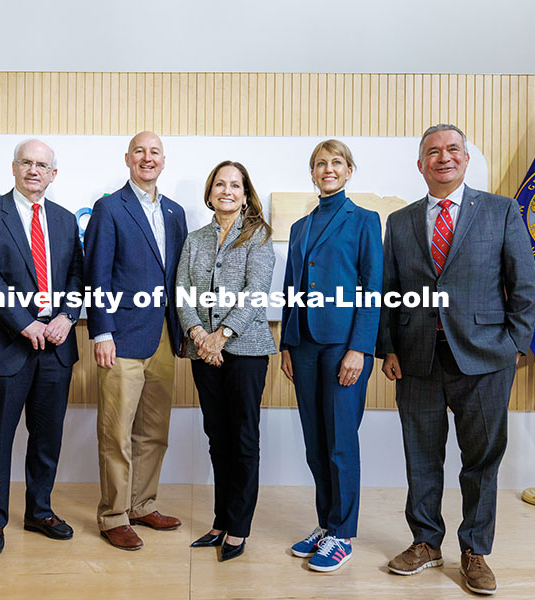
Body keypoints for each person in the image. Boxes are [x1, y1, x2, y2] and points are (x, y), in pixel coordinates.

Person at [377, 124, 535, 595]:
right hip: (417, 359)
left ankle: (475, 551)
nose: (443, 157)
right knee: (421, 459)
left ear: (466, 159)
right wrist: (387, 347)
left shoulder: (501, 211)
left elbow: (524, 288)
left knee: (481, 460)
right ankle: (426, 542)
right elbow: (390, 292)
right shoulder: (401, 221)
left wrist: (514, 345)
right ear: (421, 164)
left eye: (452, 150)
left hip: (486, 358)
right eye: (433, 152)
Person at [0, 139, 83, 557]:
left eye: (43, 165)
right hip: (4, 345)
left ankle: (39, 510)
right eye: (27, 163)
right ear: (14, 168)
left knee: (47, 436)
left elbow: (76, 277)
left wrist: (67, 317)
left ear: (53, 174)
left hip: (56, 347)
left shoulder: (67, 220)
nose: (34, 170)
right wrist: (25, 322)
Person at [279, 139, 382, 572]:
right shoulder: (302, 227)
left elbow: (374, 287)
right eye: (320, 163)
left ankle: (343, 534)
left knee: (341, 443)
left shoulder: (364, 220)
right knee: (316, 444)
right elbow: (291, 286)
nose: (328, 169)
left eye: (336, 162)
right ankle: (326, 524)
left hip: (344, 346)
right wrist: (286, 341)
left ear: (349, 170)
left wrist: (359, 347)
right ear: (312, 172)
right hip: (303, 343)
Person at [83, 131, 188, 551]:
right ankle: (113, 515)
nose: (148, 158)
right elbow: (97, 274)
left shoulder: (177, 212)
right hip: (121, 336)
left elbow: (180, 276)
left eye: (155, 152)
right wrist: (102, 332)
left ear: (164, 161)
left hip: (164, 336)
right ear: (128, 158)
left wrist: (182, 332)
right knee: (116, 432)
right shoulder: (109, 208)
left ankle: (143, 504)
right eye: (140, 151)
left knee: (154, 430)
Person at [176, 161, 276, 562]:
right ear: (210, 191)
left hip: (245, 351)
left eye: (235, 185)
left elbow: (257, 291)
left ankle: (239, 527)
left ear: (245, 192)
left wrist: (223, 335)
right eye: (221, 184)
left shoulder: (258, 235)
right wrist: (200, 335)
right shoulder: (196, 238)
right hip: (204, 351)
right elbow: (182, 289)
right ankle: (220, 521)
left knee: (243, 439)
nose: (227, 191)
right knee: (217, 437)